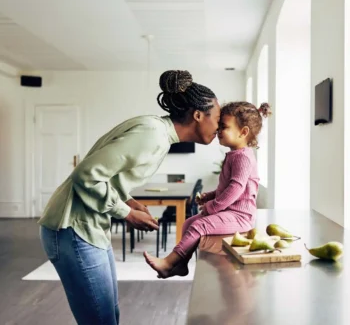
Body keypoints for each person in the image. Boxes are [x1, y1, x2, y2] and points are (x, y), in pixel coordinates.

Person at [38, 70, 221, 325]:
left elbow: (109, 176)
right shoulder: (152, 134)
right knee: (100, 320)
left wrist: (129, 201)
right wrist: (125, 213)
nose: (220, 127)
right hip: (73, 228)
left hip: (86, 228)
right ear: (198, 115)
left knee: (108, 315)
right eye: (218, 118)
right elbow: (86, 175)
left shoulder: (157, 131)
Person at [144, 101, 272, 279]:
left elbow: (236, 188)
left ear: (243, 132)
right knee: (188, 223)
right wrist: (210, 196)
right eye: (219, 126)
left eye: (224, 127)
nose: (218, 130)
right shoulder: (235, 155)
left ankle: (169, 262)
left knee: (199, 225)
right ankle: (181, 264)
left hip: (241, 216)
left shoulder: (243, 158)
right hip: (230, 211)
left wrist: (213, 206)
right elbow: (228, 187)